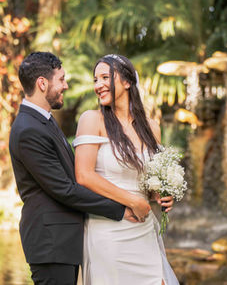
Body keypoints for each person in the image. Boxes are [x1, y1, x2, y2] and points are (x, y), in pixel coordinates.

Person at [9, 52, 139, 285]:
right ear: (42, 83)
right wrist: (120, 209)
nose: (65, 86)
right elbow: (64, 189)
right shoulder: (29, 129)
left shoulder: (43, 121)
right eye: (61, 79)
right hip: (51, 242)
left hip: (62, 242)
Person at [73, 54, 179, 285]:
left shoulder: (151, 127)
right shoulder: (92, 120)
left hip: (143, 228)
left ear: (127, 82)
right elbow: (83, 176)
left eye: (104, 77)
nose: (98, 85)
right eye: (95, 80)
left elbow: (148, 183)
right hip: (108, 230)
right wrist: (132, 201)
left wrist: (160, 195)